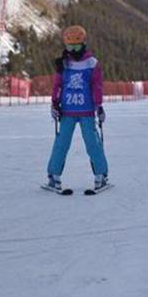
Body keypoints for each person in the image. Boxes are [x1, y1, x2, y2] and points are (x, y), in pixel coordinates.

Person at [45, 25, 109, 191]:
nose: (73, 50)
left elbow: (97, 86)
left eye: (76, 46)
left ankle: (101, 175)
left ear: (83, 44)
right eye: (69, 46)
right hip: (67, 111)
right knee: (61, 143)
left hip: (87, 112)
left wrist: (99, 106)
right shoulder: (63, 63)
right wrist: (54, 103)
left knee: (92, 143)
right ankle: (54, 176)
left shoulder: (92, 63)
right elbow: (58, 85)